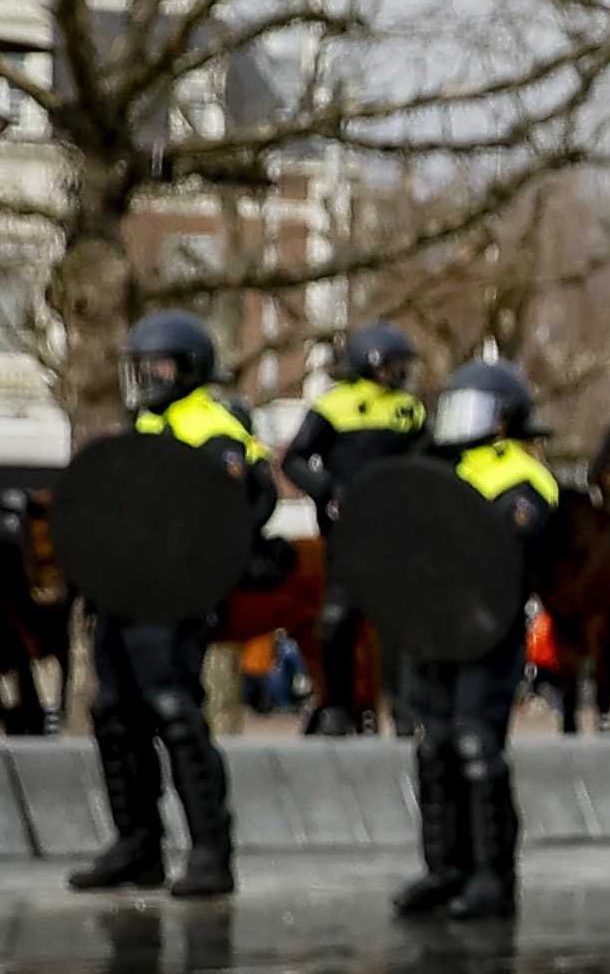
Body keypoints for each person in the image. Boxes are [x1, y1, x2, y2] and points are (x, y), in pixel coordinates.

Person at [70, 310, 267, 898]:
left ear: (189, 368)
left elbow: (238, 510)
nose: (147, 377)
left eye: (158, 365)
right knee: (114, 715)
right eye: (141, 366)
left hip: (173, 598)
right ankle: (137, 844)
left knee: (175, 715)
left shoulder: (213, 428)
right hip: (123, 594)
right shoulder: (145, 427)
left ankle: (210, 850)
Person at [393, 359, 556, 921]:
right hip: (432, 627)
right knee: (433, 744)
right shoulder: (432, 468)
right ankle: (444, 869)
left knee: (475, 747)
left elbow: (513, 541)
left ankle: (493, 876)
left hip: (488, 628)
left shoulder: (522, 475)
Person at [285, 323, 427, 738]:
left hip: (398, 533)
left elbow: (427, 461)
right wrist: (326, 490)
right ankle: (337, 707)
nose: (401, 373)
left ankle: (405, 711)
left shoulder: (409, 410)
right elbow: (294, 459)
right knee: (336, 620)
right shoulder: (333, 407)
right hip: (347, 535)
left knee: (400, 623)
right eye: (394, 365)